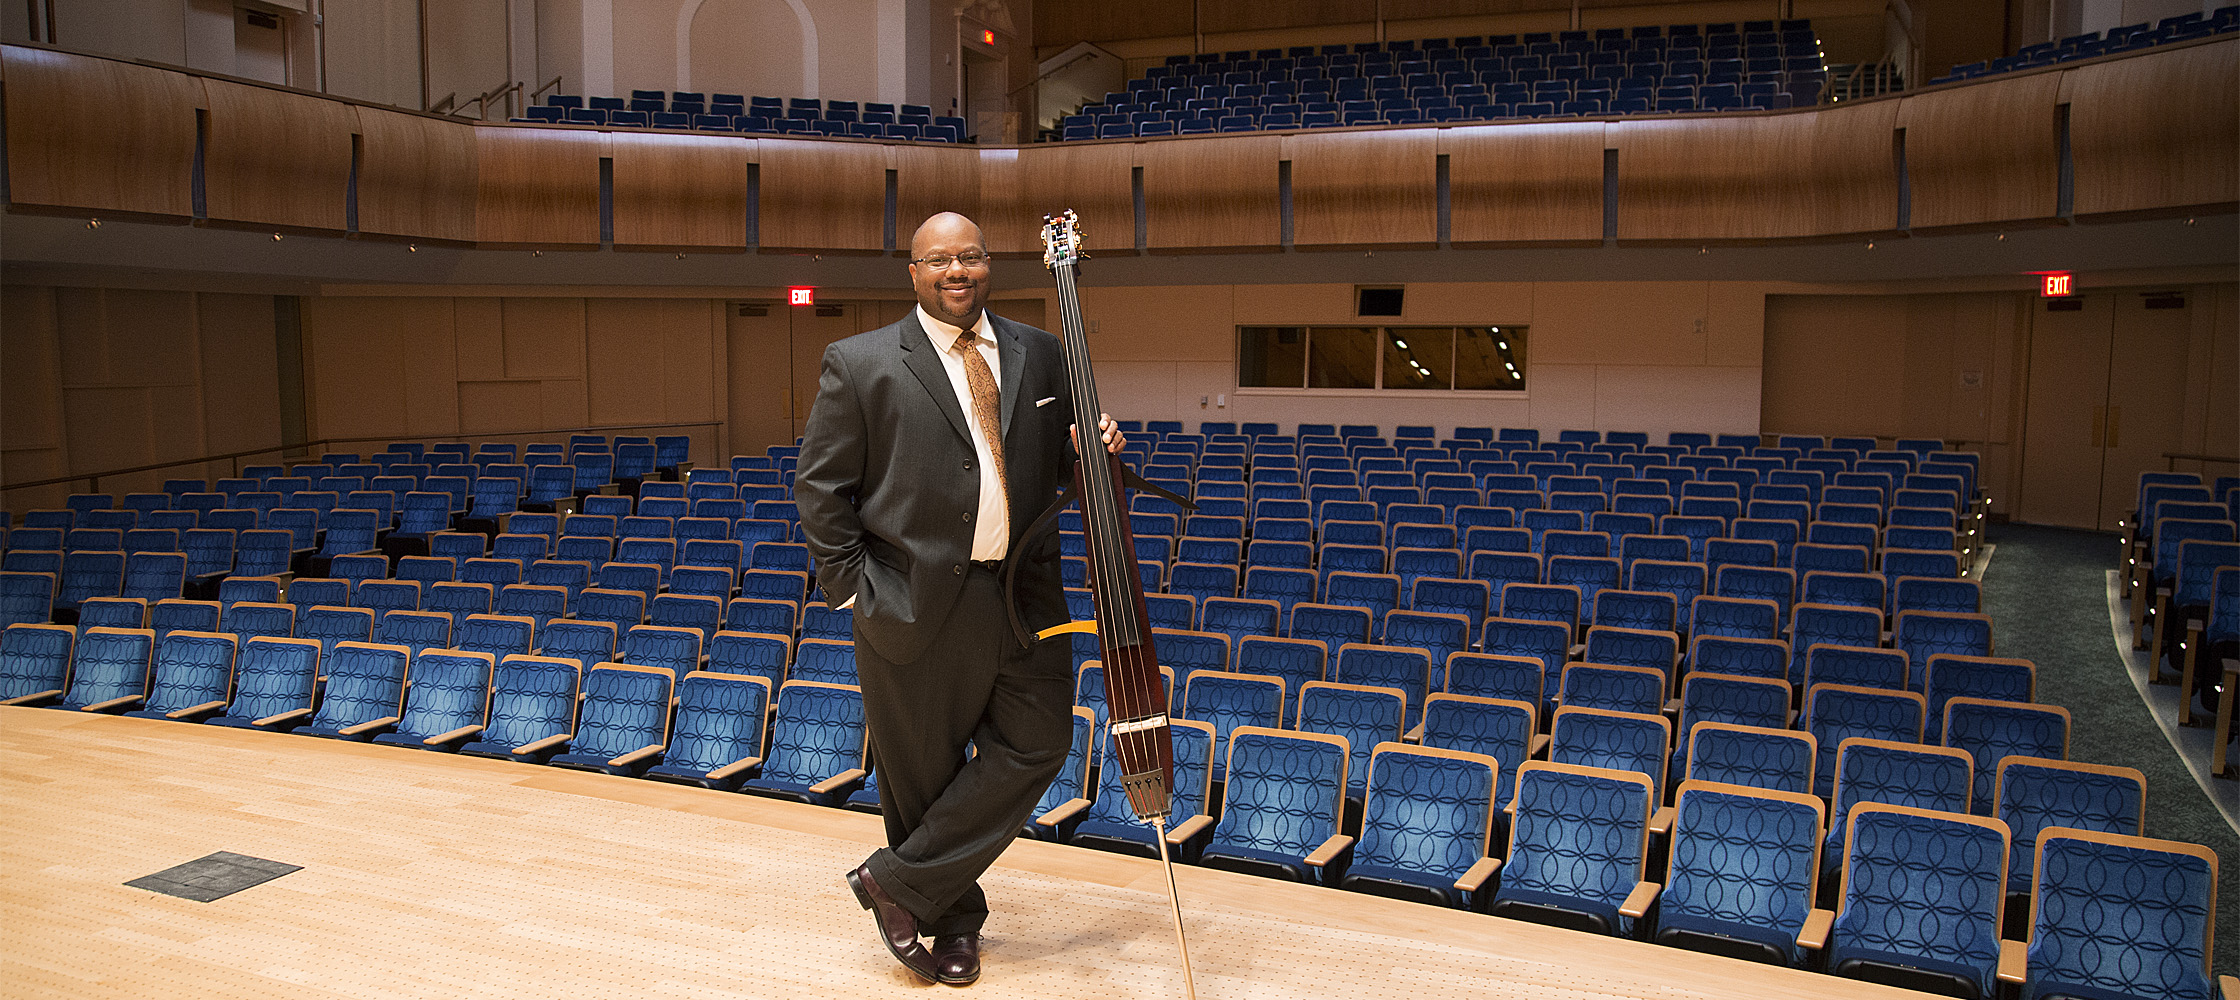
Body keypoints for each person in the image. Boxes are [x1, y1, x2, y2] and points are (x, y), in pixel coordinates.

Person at [793, 211, 1122, 986]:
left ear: (987, 265)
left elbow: (1069, 472)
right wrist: (855, 593)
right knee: (922, 774)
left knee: (1039, 744)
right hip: (908, 601)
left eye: (970, 256)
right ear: (913, 273)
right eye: (938, 260)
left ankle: (895, 884)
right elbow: (820, 490)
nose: (957, 271)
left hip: (1026, 595)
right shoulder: (861, 361)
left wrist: (1097, 443)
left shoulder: (1043, 352)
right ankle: (952, 926)